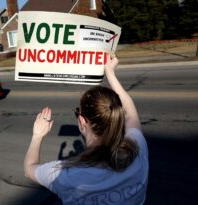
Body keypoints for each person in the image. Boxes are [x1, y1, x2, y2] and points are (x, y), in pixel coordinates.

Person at [24, 54, 149, 205]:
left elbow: (29, 168)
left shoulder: (65, 175)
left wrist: (37, 136)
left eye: (78, 112)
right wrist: (110, 73)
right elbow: (130, 111)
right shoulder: (137, 148)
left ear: (82, 121)